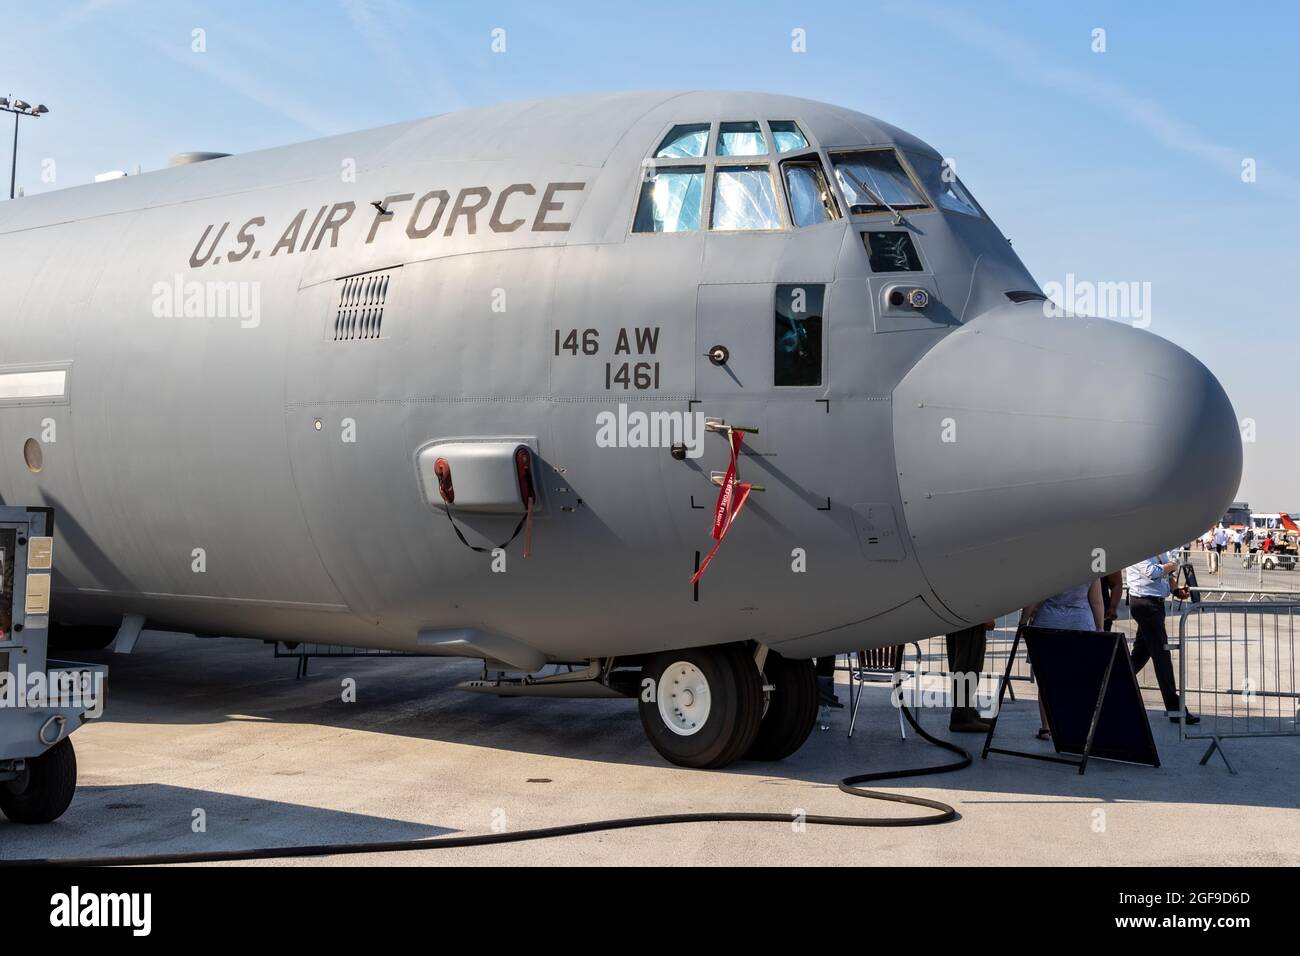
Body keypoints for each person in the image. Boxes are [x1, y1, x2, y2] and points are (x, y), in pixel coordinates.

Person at [1021, 580, 1105, 739]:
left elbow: (1035, 596)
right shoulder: (1091, 563)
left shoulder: (1050, 562)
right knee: (1077, 679)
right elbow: (1097, 601)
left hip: (1048, 622)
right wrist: (1100, 627)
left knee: (1046, 678)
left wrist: (1023, 620)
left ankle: (1046, 727)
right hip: (1081, 623)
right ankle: (1074, 725)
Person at [1125, 554, 1199, 724]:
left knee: (1140, 655)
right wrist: (1172, 565)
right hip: (1145, 604)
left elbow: (1167, 573)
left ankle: (1107, 684)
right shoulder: (1139, 548)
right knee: (1162, 657)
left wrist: (1175, 590)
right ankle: (1176, 710)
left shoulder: (1158, 549)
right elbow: (1152, 571)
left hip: (1155, 604)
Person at [946, 621, 994, 733]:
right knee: (968, 661)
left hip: (960, 615)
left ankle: (966, 711)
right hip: (971, 617)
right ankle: (962, 716)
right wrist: (986, 615)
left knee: (961, 658)